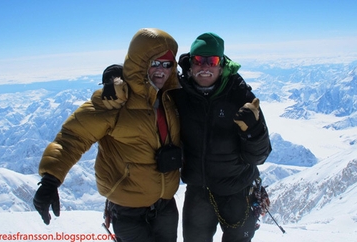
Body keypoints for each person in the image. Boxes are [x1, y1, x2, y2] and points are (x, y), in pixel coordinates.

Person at [33, 28, 182, 242]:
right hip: (128, 210)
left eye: (167, 64)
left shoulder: (170, 98)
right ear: (140, 63)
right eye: (154, 63)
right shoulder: (114, 100)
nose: (161, 70)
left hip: (166, 205)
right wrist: (50, 179)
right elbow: (73, 137)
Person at [173, 32, 272, 242]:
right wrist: (113, 76)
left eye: (212, 60)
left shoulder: (240, 95)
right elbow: (146, 85)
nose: (205, 66)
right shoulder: (178, 92)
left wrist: (254, 131)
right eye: (199, 60)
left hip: (238, 190)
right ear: (190, 64)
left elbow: (259, 156)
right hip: (198, 190)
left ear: (222, 64)